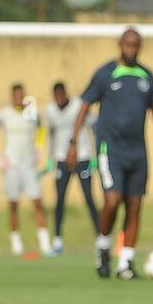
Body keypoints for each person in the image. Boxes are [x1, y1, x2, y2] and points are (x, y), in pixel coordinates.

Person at [66, 29, 153, 280]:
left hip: (137, 152)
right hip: (110, 150)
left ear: (140, 47)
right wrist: (73, 142)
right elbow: (84, 106)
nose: (131, 49)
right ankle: (103, 247)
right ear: (120, 44)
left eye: (136, 46)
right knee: (112, 200)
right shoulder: (105, 73)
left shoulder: (146, 76)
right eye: (127, 45)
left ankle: (126, 264)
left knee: (135, 205)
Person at [0, 83, 49, 256]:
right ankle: (16, 242)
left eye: (21, 95)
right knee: (13, 204)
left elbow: (42, 129)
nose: (19, 98)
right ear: (12, 96)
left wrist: (38, 148)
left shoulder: (32, 113)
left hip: (28, 165)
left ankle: (45, 243)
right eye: (16, 95)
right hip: (12, 166)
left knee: (37, 202)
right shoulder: (4, 114)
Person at [44, 80, 99, 254]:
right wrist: (50, 158)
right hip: (62, 159)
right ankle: (58, 240)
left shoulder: (78, 106)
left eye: (61, 95)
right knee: (59, 200)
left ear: (66, 93)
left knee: (89, 199)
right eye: (56, 96)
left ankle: (100, 238)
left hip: (82, 157)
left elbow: (94, 128)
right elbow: (50, 135)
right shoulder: (50, 111)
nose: (59, 99)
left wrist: (95, 156)